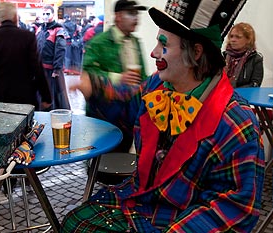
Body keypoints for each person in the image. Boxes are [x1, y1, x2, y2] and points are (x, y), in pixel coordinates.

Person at [61, 0, 265, 232]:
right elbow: (129, 101)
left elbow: (236, 209)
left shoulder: (237, 123)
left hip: (181, 217)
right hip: (141, 198)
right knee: (73, 223)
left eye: (163, 44)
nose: (153, 52)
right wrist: (95, 86)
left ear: (196, 52)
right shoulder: (158, 85)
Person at [82, 0, 148, 152]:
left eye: (137, 14)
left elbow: (142, 76)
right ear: (118, 16)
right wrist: (119, 77)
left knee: (123, 157)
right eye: (131, 13)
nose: (136, 18)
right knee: (101, 158)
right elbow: (87, 74)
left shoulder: (136, 42)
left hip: (129, 115)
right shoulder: (99, 42)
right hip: (104, 116)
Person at [0, 2, 51, 111]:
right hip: (24, 95)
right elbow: (36, 68)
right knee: (26, 126)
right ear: (14, 17)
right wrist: (46, 96)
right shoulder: (27, 37)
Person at [36, 5, 70, 110]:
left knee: (54, 96)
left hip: (52, 70)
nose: (45, 16)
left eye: (48, 14)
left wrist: (57, 68)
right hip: (41, 68)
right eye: (44, 14)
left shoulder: (58, 29)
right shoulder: (41, 28)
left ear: (53, 14)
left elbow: (60, 49)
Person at [223, 22, 264, 88]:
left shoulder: (255, 59)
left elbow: (255, 84)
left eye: (238, 37)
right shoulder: (223, 56)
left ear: (248, 40)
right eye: (231, 36)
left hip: (243, 96)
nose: (233, 40)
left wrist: (234, 92)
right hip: (221, 94)